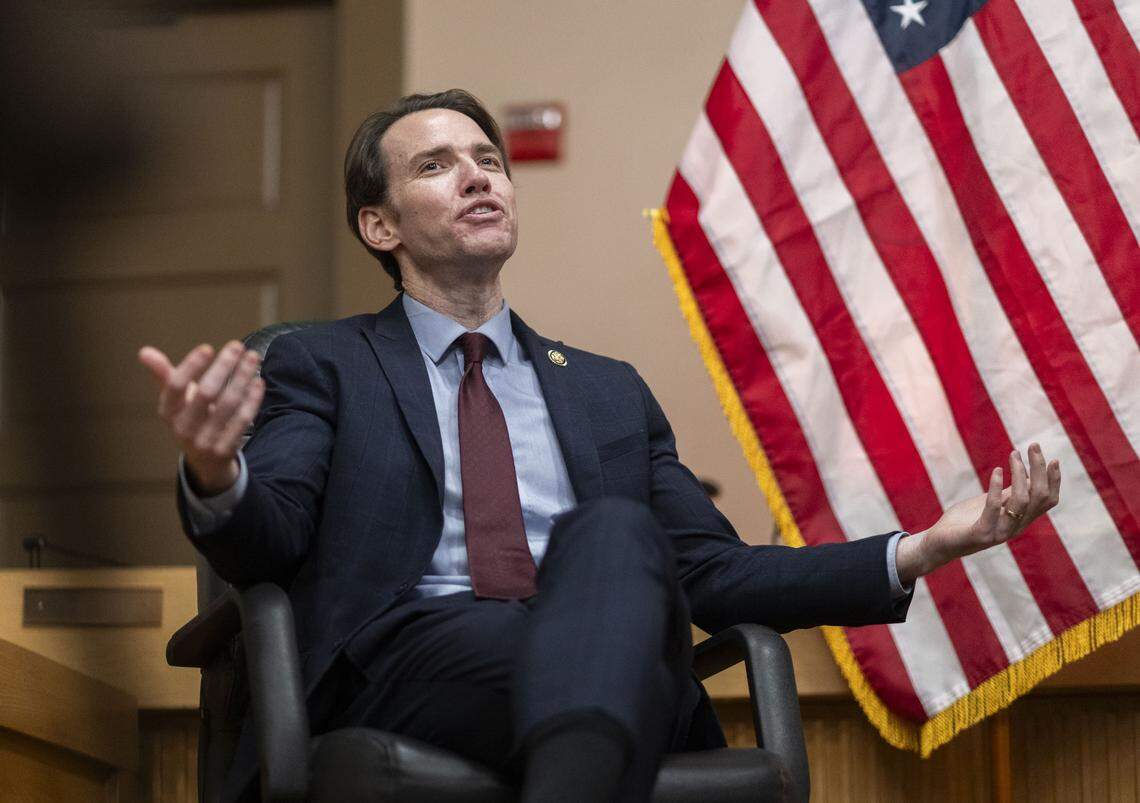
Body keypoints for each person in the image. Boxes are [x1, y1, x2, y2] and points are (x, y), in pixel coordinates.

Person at [138, 89, 1061, 803]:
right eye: (436, 166)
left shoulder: (606, 390)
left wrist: (924, 546)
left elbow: (716, 574)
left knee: (616, 533)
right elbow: (270, 537)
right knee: (612, 654)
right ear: (380, 226)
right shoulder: (323, 364)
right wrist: (218, 472)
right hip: (417, 664)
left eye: (489, 160)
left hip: (593, 639)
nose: (478, 177)